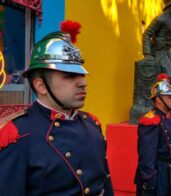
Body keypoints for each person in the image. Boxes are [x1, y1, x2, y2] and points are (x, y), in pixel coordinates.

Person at [0, 30, 113, 195]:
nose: (83, 83)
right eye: (70, 76)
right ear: (41, 86)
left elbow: (105, 185)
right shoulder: (18, 135)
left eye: (81, 75)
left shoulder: (92, 124)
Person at [134, 74, 171, 196]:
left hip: (170, 171)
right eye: (169, 97)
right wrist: (150, 180)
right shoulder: (151, 120)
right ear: (158, 99)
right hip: (158, 173)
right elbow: (147, 154)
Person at [142, 0, 171, 82]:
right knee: (168, 75)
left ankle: (164, 93)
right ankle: (160, 93)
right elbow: (147, 34)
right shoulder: (161, 19)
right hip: (159, 51)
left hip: (167, 51)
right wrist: (147, 54)